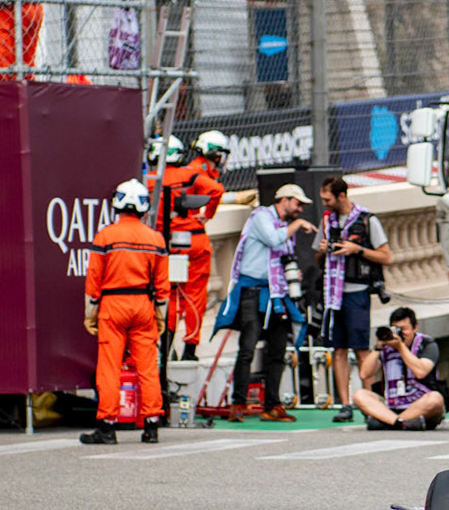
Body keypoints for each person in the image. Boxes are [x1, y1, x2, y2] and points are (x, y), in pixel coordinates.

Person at [81, 179, 168, 446]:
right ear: (143, 208)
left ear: (117, 204)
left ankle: (107, 427)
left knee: (109, 368)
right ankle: (151, 425)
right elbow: (163, 285)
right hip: (142, 306)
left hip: (113, 306)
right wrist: (161, 316)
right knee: (147, 368)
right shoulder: (155, 239)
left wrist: (90, 313)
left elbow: (94, 280)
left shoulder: (105, 236)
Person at [225, 182, 315, 421]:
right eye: (297, 204)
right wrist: (297, 225)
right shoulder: (261, 217)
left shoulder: (284, 225)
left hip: (276, 292)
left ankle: (272, 406)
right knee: (248, 348)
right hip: (253, 291)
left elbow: (283, 256)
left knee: (278, 349)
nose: (300, 211)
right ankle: (237, 404)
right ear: (283, 200)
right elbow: (273, 240)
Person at [316, 175, 393, 423]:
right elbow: (318, 259)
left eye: (328, 199)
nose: (325, 203)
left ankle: (368, 400)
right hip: (332, 293)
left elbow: (386, 257)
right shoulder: (327, 220)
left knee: (361, 349)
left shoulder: (367, 220)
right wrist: (324, 249)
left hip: (357, 290)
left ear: (341, 196)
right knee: (338, 349)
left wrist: (355, 249)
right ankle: (345, 403)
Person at [165, 130, 228, 357]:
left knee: (171, 295)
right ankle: (189, 348)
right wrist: (208, 214)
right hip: (193, 240)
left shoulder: (157, 177)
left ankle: (166, 344)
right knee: (194, 295)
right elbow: (216, 190)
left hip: (168, 243)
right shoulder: (192, 174)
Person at [355, 306, 445, 430]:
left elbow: (421, 372)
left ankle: (387, 421)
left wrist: (400, 347)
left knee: (436, 399)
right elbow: (364, 374)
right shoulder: (386, 347)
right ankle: (400, 422)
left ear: (415, 327)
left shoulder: (426, 344)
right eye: (396, 329)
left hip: (420, 405)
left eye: (404, 329)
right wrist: (378, 347)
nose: (400, 333)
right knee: (360, 395)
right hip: (391, 404)